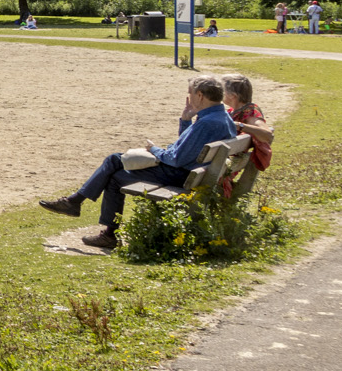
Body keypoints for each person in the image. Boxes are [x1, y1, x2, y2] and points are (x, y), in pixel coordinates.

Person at [40, 76, 237, 248]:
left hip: (179, 175)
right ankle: (81, 208)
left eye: (190, 93)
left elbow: (176, 159)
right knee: (115, 164)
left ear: (200, 95)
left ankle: (86, 213)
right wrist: (186, 120)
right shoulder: (222, 117)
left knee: (114, 169)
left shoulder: (206, 123)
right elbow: (186, 148)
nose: (189, 97)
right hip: (193, 174)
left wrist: (154, 149)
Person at [220, 74, 273, 201]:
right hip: (227, 162)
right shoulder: (233, 111)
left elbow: (267, 135)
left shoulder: (250, 111)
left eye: (222, 90)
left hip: (223, 166)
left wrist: (240, 125)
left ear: (232, 95)